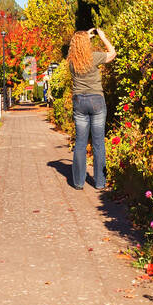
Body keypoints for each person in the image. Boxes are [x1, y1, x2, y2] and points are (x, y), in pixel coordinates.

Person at [65, 26, 115, 190]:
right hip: (96, 101)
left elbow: (77, 46)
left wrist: (84, 36)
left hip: (79, 101)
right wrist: (102, 36)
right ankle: (99, 182)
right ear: (87, 44)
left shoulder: (71, 61)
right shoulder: (93, 57)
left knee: (80, 142)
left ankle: (78, 182)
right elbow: (112, 54)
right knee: (98, 143)